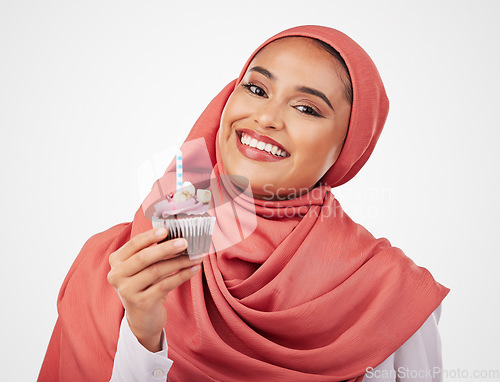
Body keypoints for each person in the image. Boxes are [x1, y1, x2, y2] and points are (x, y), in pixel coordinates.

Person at [38, 25, 449, 381]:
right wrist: (142, 335)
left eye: (307, 108)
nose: (267, 117)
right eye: (256, 88)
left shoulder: (386, 295)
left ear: (348, 147)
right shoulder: (109, 265)